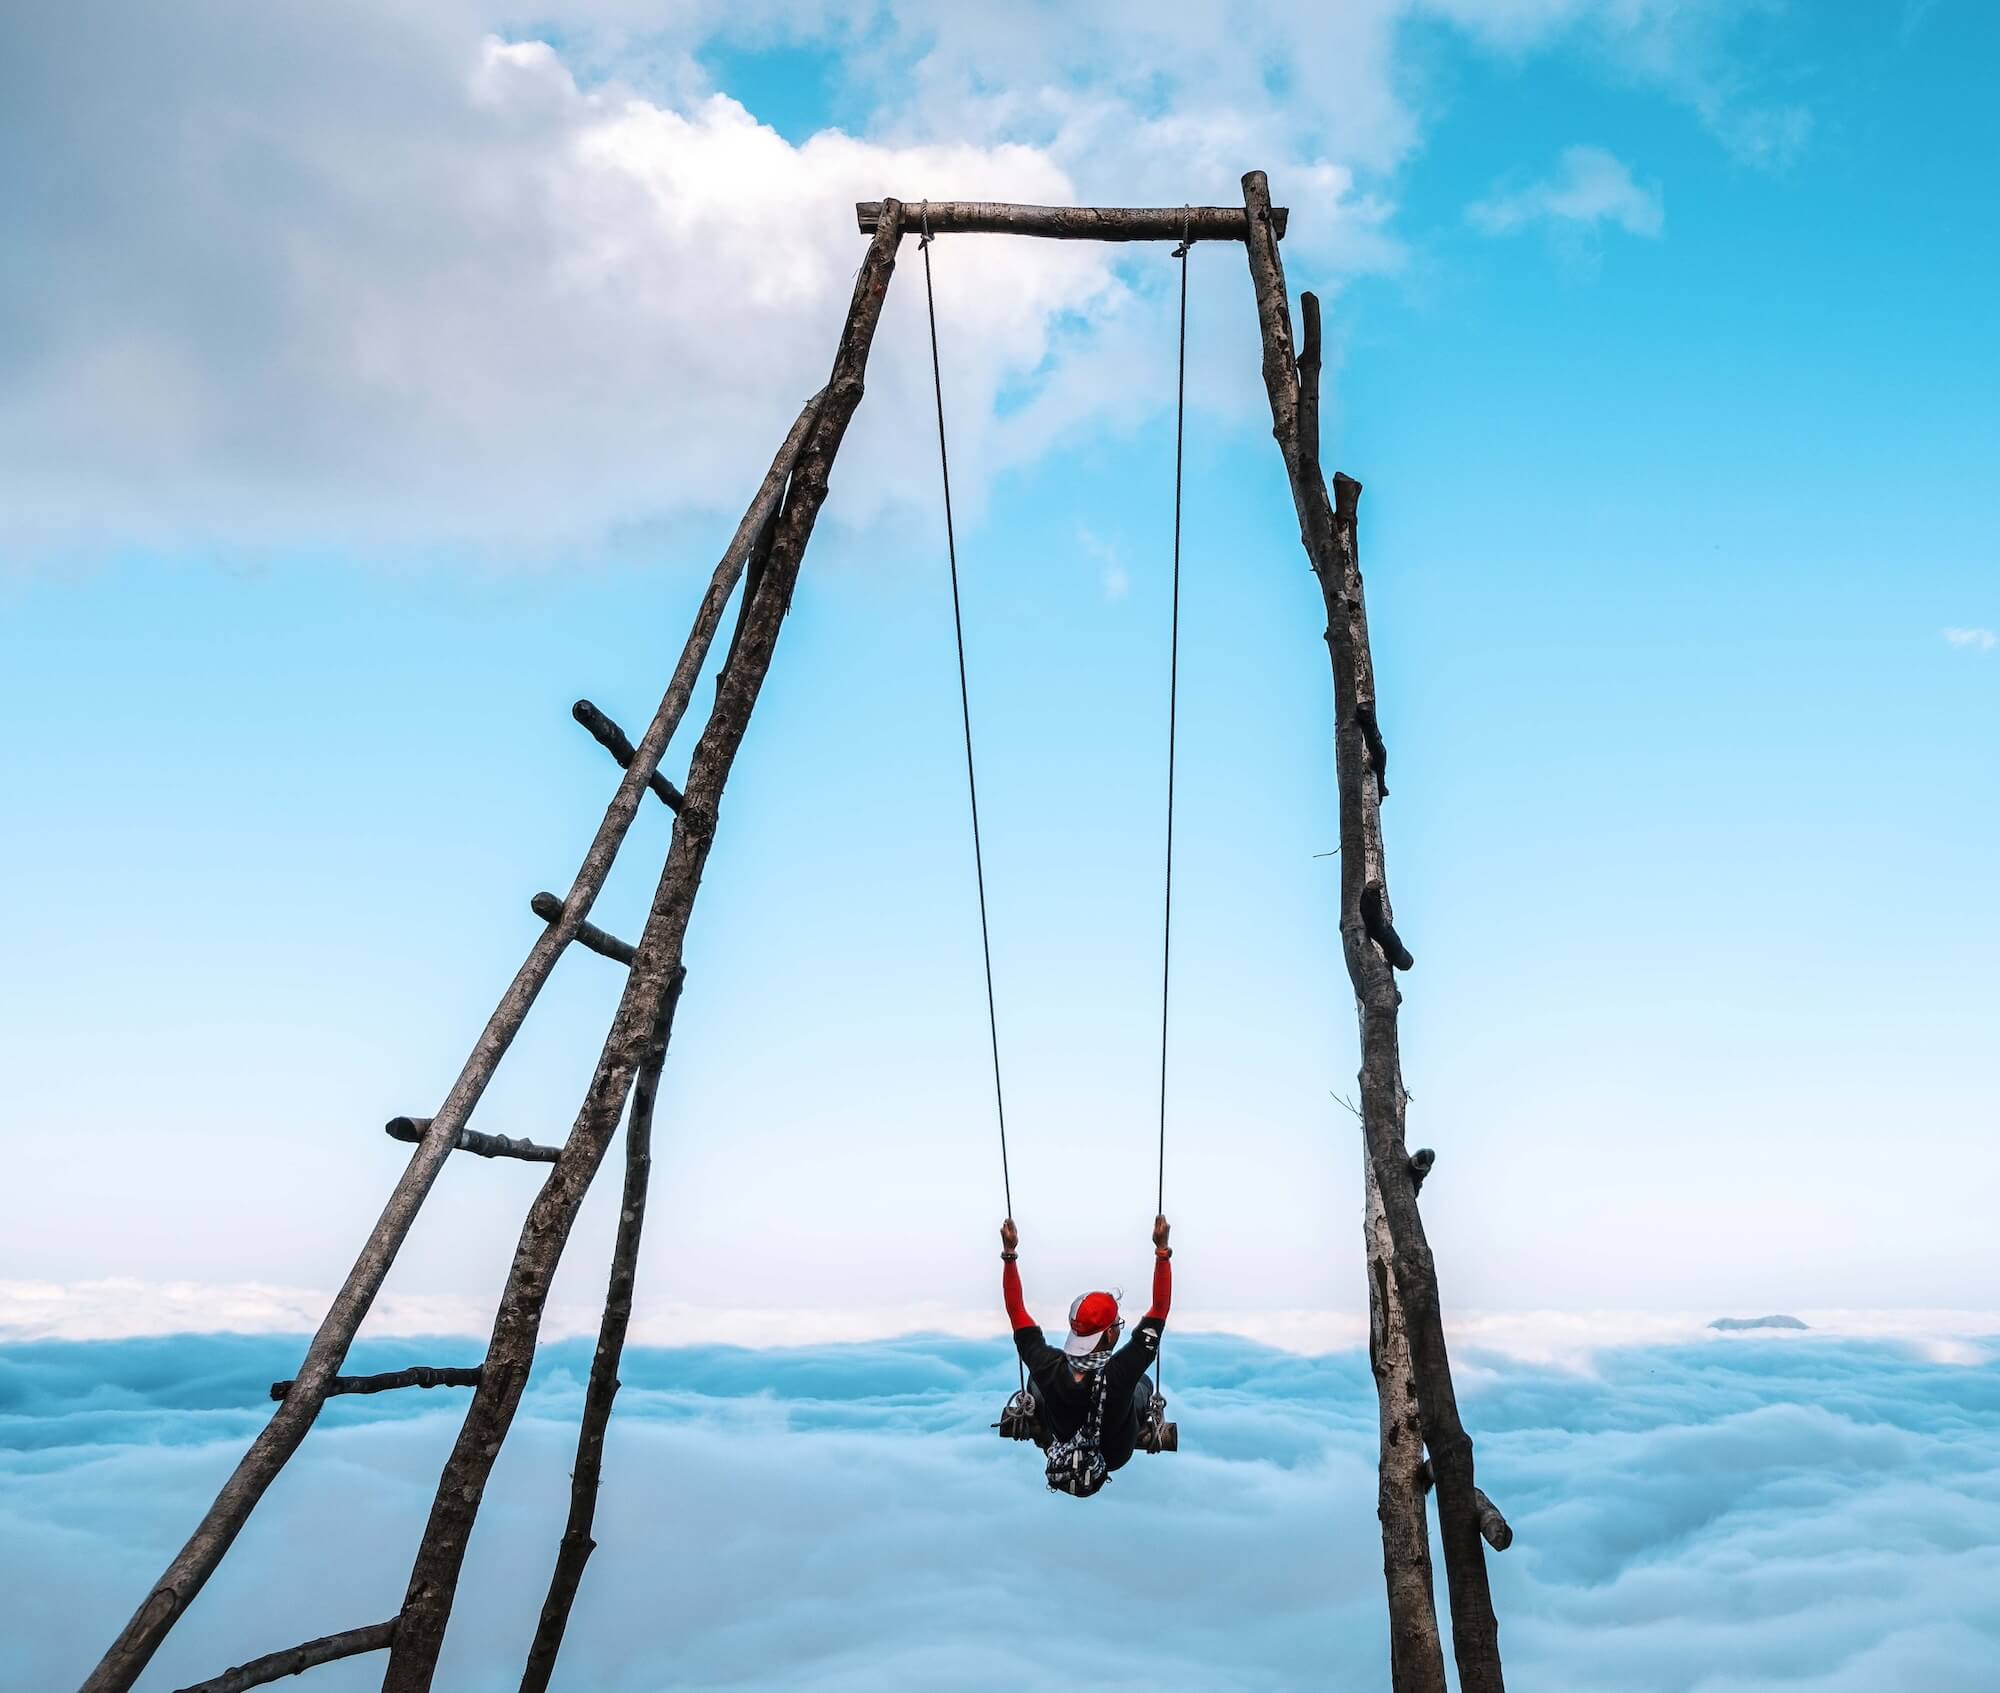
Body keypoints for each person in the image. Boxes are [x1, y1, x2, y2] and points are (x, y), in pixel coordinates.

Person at [999, 1212, 1172, 1474]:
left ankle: (1040, 1419)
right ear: (1109, 1335)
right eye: (1117, 1324)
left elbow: (1016, 1312)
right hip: (1114, 1456)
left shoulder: (1048, 1366)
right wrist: (1162, 1250)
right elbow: (1160, 1308)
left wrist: (1009, 1253)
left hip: (1059, 1445)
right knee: (1142, 1385)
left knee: (1036, 1383)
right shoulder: (1122, 1374)